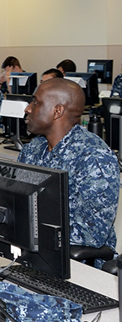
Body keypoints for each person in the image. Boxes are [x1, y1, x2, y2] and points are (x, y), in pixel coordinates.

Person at [18, 78, 119, 267]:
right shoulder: (33, 149)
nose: (28, 109)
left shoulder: (93, 156)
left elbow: (92, 233)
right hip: (32, 254)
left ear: (57, 111)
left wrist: (26, 225)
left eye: (36, 102)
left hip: (76, 266)